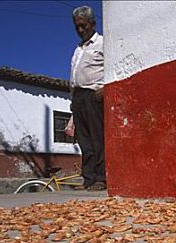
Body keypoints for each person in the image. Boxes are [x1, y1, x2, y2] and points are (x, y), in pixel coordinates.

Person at [70, 5, 106, 191]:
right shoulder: (78, 49)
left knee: (97, 138)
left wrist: (105, 89)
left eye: (84, 26)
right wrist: (72, 100)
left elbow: (114, 66)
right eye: (77, 26)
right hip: (78, 98)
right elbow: (75, 76)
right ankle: (89, 179)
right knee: (84, 141)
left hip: (94, 95)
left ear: (93, 23)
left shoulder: (102, 43)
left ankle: (101, 178)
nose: (80, 30)